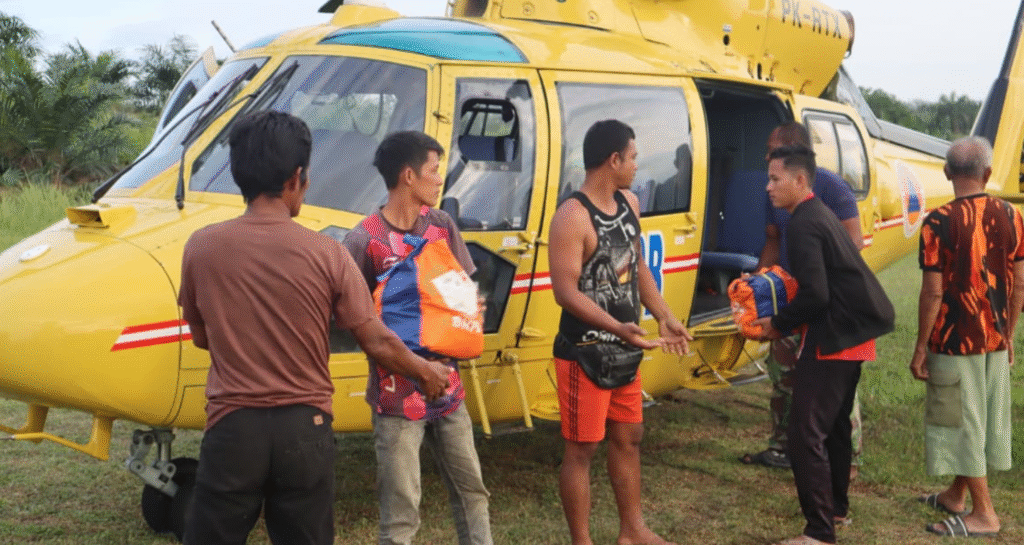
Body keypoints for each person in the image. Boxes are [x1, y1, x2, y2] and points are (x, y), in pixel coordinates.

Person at [178, 111, 450, 545]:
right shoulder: (327, 253)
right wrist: (426, 371)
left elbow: (201, 337)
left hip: (233, 429)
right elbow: (374, 339)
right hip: (305, 430)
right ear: (296, 178)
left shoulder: (202, 248)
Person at [342, 131, 493, 545]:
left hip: (449, 385)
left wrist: (470, 316)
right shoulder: (363, 241)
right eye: (433, 170)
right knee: (401, 510)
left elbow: (466, 291)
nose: (440, 179)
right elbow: (356, 322)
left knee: (473, 493)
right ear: (408, 176)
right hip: (396, 396)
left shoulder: (441, 225)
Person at [548, 119, 692, 545]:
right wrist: (616, 327)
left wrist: (664, 315)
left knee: (629, 438)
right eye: (631, 157)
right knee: (581, 450)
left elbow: (638, 266)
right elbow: (565, 293)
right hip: (585, 352)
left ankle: (632, 530)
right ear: (613, 160)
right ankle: (583, 541)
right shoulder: (571, 217)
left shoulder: (629, 202)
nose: (635, 166)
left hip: (626, 350)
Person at [753, 144, 893, 545]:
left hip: (836, 337)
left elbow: (816, 295)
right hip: (854, 333)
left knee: (804, 432)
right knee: (832, 427)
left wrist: (777, 324)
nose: (768, 187)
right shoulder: (817, 215)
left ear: (800, 181)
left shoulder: (802, 223)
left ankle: (818, 532)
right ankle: (836, 510)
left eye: (776, 179)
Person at [910, 136, 1023, 538]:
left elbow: (933, 291)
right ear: (988, 174)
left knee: (961, 422)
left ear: (946, 172)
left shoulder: (938, 222)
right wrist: (1008, 334)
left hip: (954, 339)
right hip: (993, 337)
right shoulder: (1012, 214)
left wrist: (921, 346)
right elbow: (1019, 284)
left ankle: (985, 514)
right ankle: (957, 495)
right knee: (977, 417)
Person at [740, 121, 866, 477]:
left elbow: (853, 243)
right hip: (790, 300)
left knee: (834, 385)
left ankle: (848, 458)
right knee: (783, 375)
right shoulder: (775, 191)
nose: (766, 158)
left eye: (771, 149)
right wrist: (762, 283)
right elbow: (772, 240)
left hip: (823, 302)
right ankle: (782, 446)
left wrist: (816, 279)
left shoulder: (832, 188)